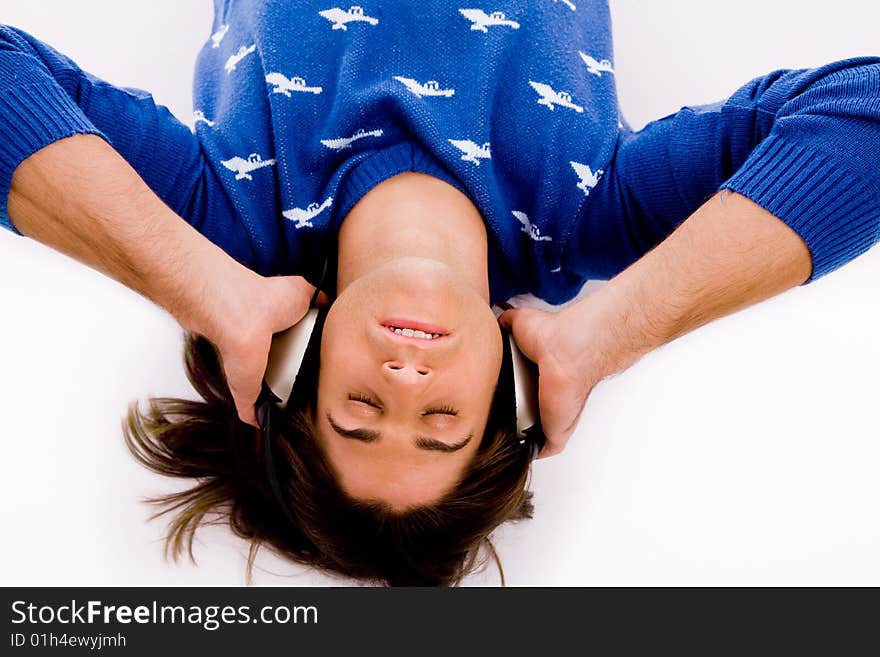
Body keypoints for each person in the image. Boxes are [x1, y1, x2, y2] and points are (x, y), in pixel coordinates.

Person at [1, 2, 878, 585]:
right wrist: (610, 333)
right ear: (510, 394)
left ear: (294, 367)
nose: (406, 382)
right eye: (440, 426)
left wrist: (203, 289)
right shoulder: (587, 213)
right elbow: (864, 106)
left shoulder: (228, 208)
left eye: (357, 410)